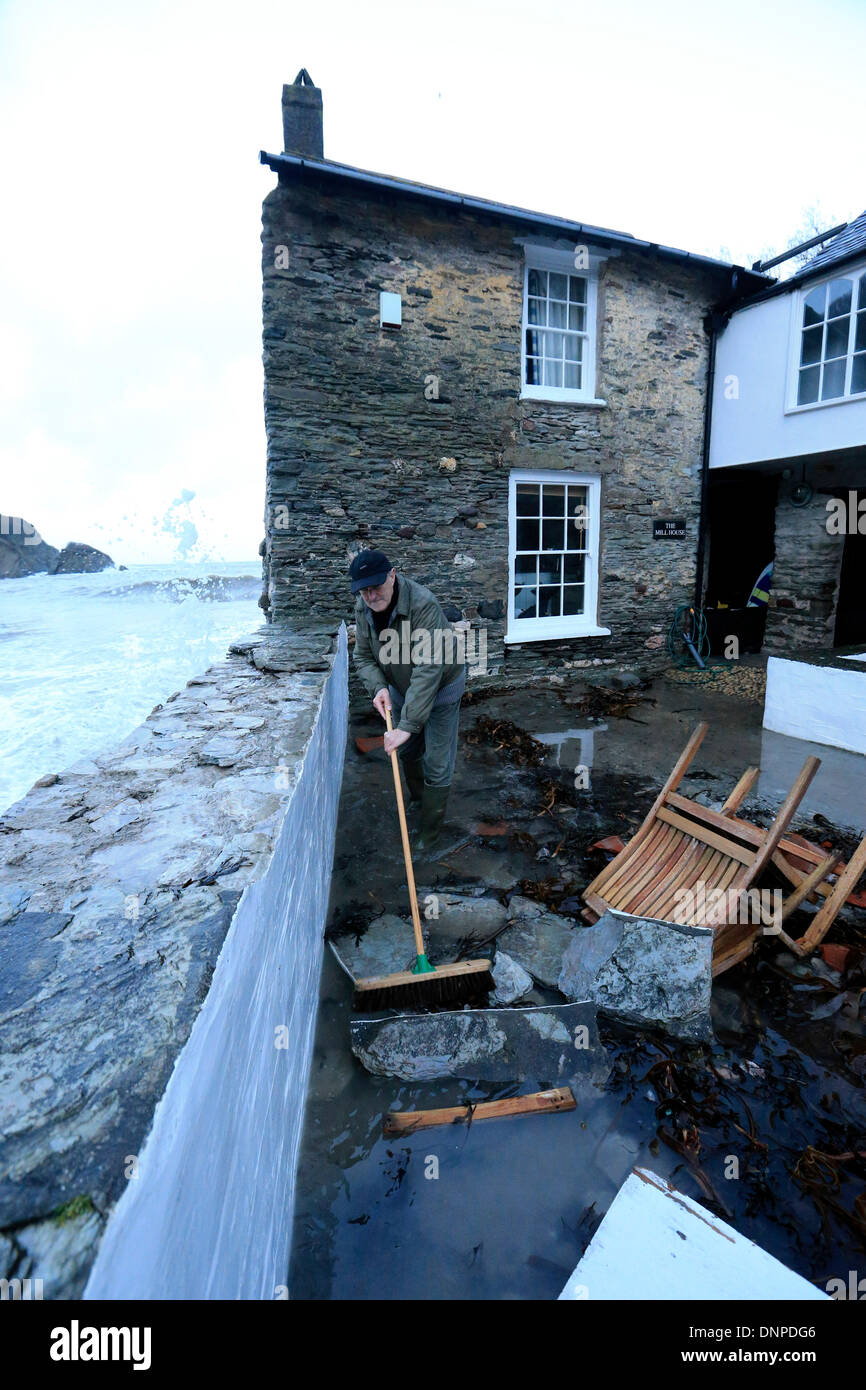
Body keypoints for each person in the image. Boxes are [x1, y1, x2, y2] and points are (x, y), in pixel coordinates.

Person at [350, 548, 465, 854]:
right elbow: (362, 655)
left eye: (376, 587)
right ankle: (418, 801)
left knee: (437, 761)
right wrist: (378, 687)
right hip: (400, 687)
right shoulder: (363, 609)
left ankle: (430, 834)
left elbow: (429, 668)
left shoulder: (423, 603)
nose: (371, 597)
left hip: (442, 685)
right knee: (408, 749)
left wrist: (409, 724)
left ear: (392, 574)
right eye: (364, 591)